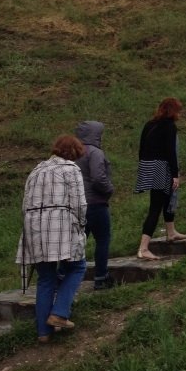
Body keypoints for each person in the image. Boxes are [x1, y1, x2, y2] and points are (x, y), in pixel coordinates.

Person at [16, 136, 87, 342]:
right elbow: (79, 203)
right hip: (60, 224)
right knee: (78, 267)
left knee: (46, 278)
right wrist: (81, 225)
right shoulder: (71, 169)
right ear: (75, 152)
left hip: (33, 227)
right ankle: (59, 313)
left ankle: (43, 332)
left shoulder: (36, 170)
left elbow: (24, 204)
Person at [134, 98, 185, 259]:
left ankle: (171, 231)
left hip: (148, 166)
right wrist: (175, 174)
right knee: (155, 207)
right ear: (173, 111)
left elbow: (141, 149)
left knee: (166, 198)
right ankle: (143, 248)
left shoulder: (149, 124)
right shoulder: (169, 126)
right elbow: (171, 152)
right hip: (162, 167)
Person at [75, 121, 115, 290]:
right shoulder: (95, 152)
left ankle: (64, 274)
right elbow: (98, 178)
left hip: (77, 203)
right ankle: (100, 276)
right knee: (103, 239)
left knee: (77, 242)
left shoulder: (74, 153)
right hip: (96, 202)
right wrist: (109, 190)